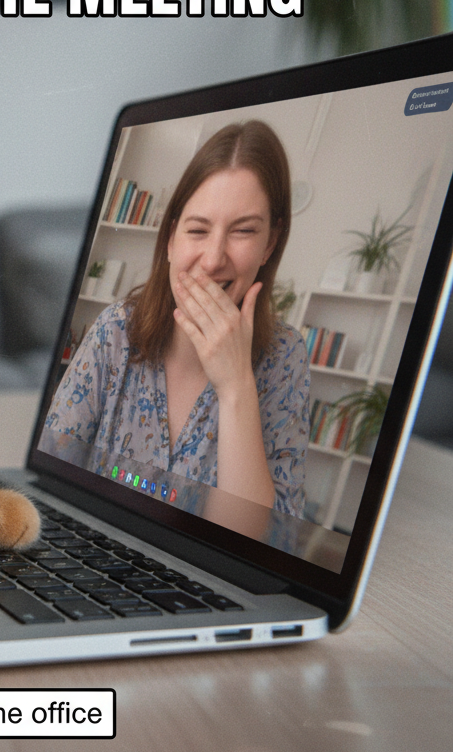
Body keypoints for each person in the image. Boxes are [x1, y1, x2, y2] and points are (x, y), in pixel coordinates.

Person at [39, 121, 309, 517]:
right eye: (198, 229)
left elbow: (254, 542)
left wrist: (236, 386)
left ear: (270, 243)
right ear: (170, 239)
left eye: (244, 231)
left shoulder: (285, 356)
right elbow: (49, 475)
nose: (214, 259)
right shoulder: (116, 329)